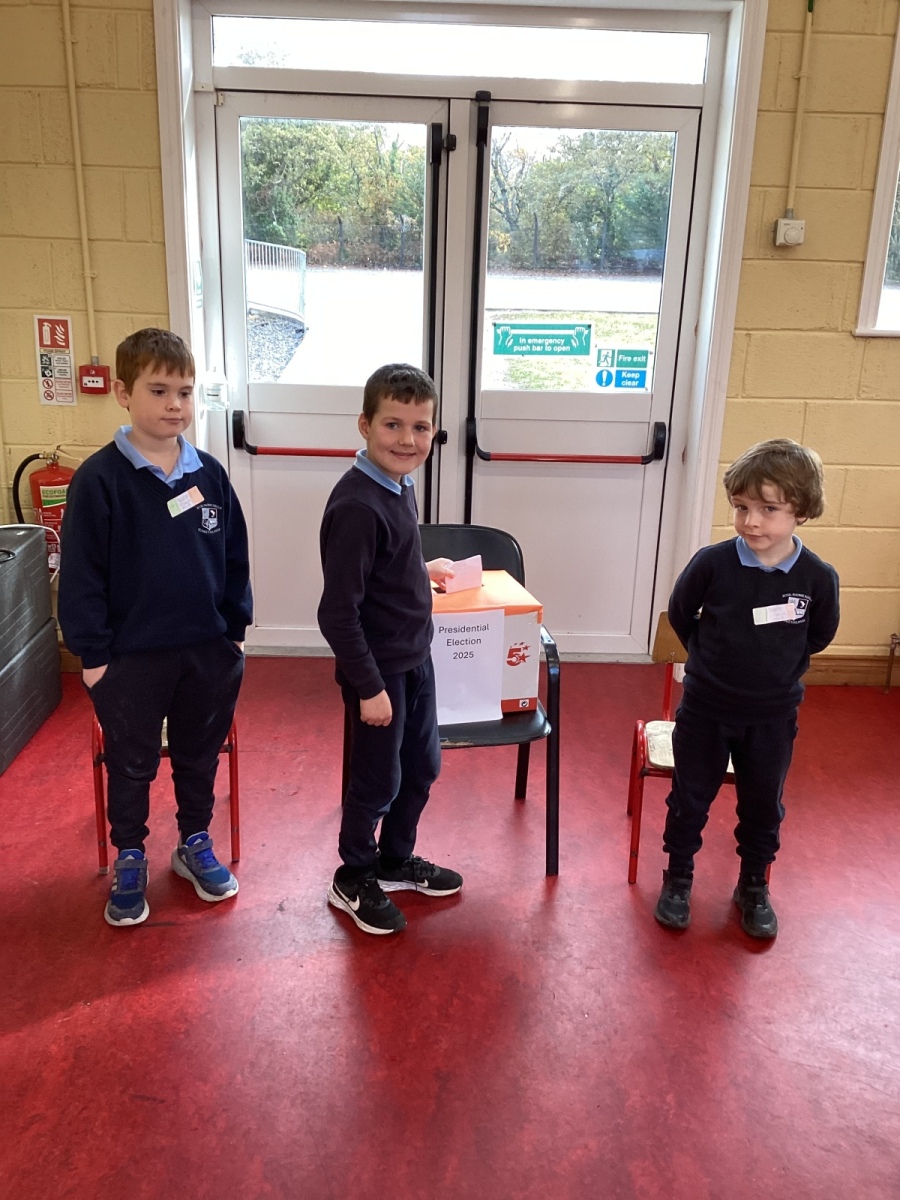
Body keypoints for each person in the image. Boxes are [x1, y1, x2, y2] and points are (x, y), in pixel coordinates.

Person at [59, 328, 252, 927]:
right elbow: (81, 575)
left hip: (206, 652)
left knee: (198, 755)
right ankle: (131, 854)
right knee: (132, 762)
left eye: (185, 392)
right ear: (123, 393)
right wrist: (94, 657)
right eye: (159, 390)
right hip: (129, 660)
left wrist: (234, 631)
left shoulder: (209, 476)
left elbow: (235, 558)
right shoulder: (99, 480)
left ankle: (194, 841)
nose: (174, 404)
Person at [655, 438, 840, 939]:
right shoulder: (712, 564)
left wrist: (777, 670)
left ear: (801, 511)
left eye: (768, 509)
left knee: (763, 804)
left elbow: (819, 635)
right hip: (706, 709)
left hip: (772, 717)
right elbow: (681, 615)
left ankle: (754, 884)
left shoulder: (817, 578)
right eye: (741, 508)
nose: (751, 522)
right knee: (690, 799)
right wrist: (709, 660)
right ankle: (678, 877)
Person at [318, 363, 462, 935]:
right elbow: (337, 612)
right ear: (365, 425)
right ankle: (353, 874)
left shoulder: (398, 485)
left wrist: (418, 568)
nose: (407, 440)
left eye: (420, 427)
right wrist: (370, 687)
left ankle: (395, 860)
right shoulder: (358, 505)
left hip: (415, 659)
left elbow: (381, 567)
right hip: (378, 673)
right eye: (392, 425)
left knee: (421, 766)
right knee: (378, 780)